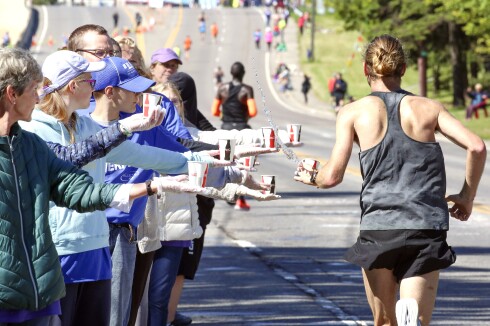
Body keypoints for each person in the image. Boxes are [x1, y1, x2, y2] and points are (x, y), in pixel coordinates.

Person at [294, 34, 487, 326]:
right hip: (425, 226)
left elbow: (332, 176)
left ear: (365, 69)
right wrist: (465, 198)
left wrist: (312, 176)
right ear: (404, 68)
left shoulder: (352, 112)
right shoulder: (429, 108)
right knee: (418, 319)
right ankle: (410, 315)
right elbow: (476, 146)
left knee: (384, 322)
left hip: (380, 228)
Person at [21, 50, 216, 326]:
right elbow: (68, 159)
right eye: (90, 81)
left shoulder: (85, 125)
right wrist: (122, 129)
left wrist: (218, 163)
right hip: (59, 251)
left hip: (96, 249)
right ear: (73, 86)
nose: (95, 87)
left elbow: (150, 156)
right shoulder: (34, 129)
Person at [0, 46, 171, 326]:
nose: (40, 94)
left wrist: (154, 186)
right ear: (11, 94)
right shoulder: (38, 134)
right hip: (20, 282)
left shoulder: (28, 144)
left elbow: (80, 189)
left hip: (38, 289)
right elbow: (70, 157)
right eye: (34, 88)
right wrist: (124, 128)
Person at [212, 62, 257, 210]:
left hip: (225, 128)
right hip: (242, 129)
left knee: (227, 162)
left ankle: (228, 192)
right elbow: (253, 112)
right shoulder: (247, 89)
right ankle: (241, 199)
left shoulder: (221, 88)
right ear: (243, 73)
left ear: (231, 73)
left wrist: (222, 115)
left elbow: (214, 111)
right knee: (244, 165)